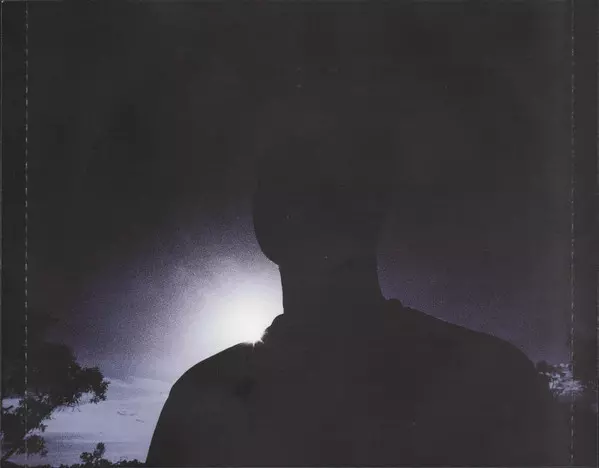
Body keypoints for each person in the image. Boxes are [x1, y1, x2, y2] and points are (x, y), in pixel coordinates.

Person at [146, 96, 566, 466]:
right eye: (300, 181)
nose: (317, 204)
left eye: (330, 185)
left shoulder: (203, 401)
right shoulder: (492, 377)